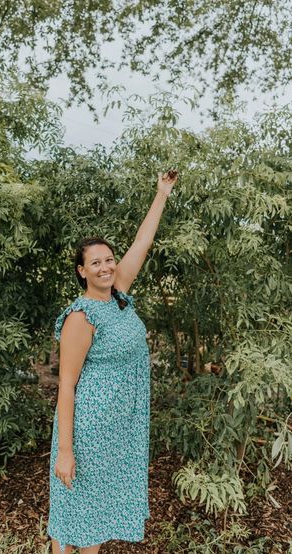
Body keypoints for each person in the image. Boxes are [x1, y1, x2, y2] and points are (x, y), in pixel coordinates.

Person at [47, 171, 178, 553]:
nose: (105, 267)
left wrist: (161, 194)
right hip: (88, 428)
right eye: (96, 263)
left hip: (117, 429)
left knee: (96, 517)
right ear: (82, 271)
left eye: (109, 260)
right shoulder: (81, 316)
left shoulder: (118, 294)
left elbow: (143, 240)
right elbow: (67, 386)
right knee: (73, 516)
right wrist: (66, 450)